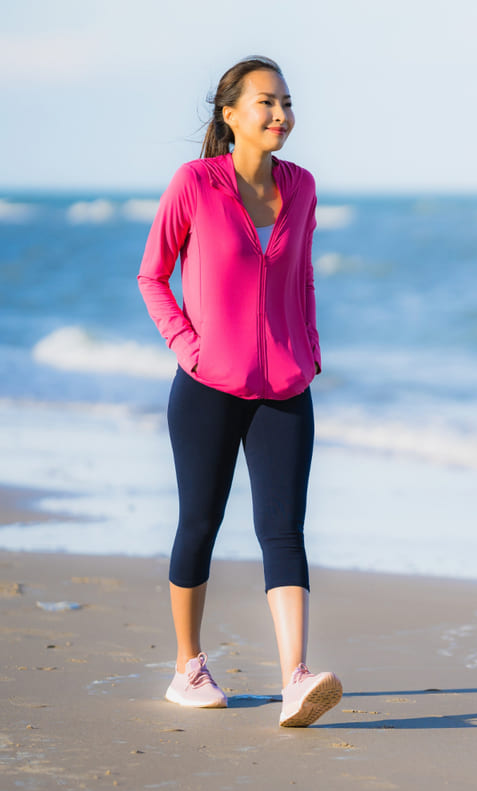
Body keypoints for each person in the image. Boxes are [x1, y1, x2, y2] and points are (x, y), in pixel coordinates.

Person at [137, 56, 342, 727]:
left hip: (284, 387)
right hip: (205, 387)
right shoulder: (194, 184)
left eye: (286, 101)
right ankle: (187, 667)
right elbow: (152, 276)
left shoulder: (303, 188)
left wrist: (309, 351)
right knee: (200, 522)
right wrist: (188, 347)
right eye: (266, 102)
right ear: (230, 115)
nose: (280, 114)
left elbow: (303, 278)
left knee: (283, 530)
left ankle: (295, 677)